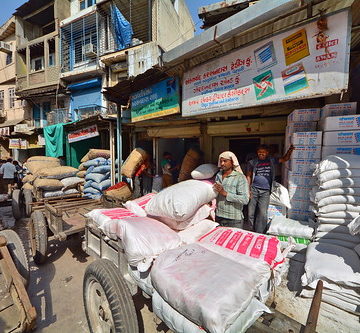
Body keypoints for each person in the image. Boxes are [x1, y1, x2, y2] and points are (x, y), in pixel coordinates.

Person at [246, 144, 295, 234]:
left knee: (262, 213)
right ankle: (251, 230)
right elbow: (248, 176)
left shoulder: (271, 161)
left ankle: (260, 232)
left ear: (267, 153)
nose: (261, 154)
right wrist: (248, 189)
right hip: (254, 190)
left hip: (266, 191)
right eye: (259, 152)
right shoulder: (252, 162)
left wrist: (290, 150)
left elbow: (284, 159)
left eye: (263, 152)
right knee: (251, 213)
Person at [213, 151, 249, 229]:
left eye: (225, 161)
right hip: (219, 216)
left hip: (234, 219)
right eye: (221, 161)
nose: (222, 163)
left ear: (232, 162)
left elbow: (245, 199)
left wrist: (225, 193)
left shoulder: (240, 178)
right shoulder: (218, 175)